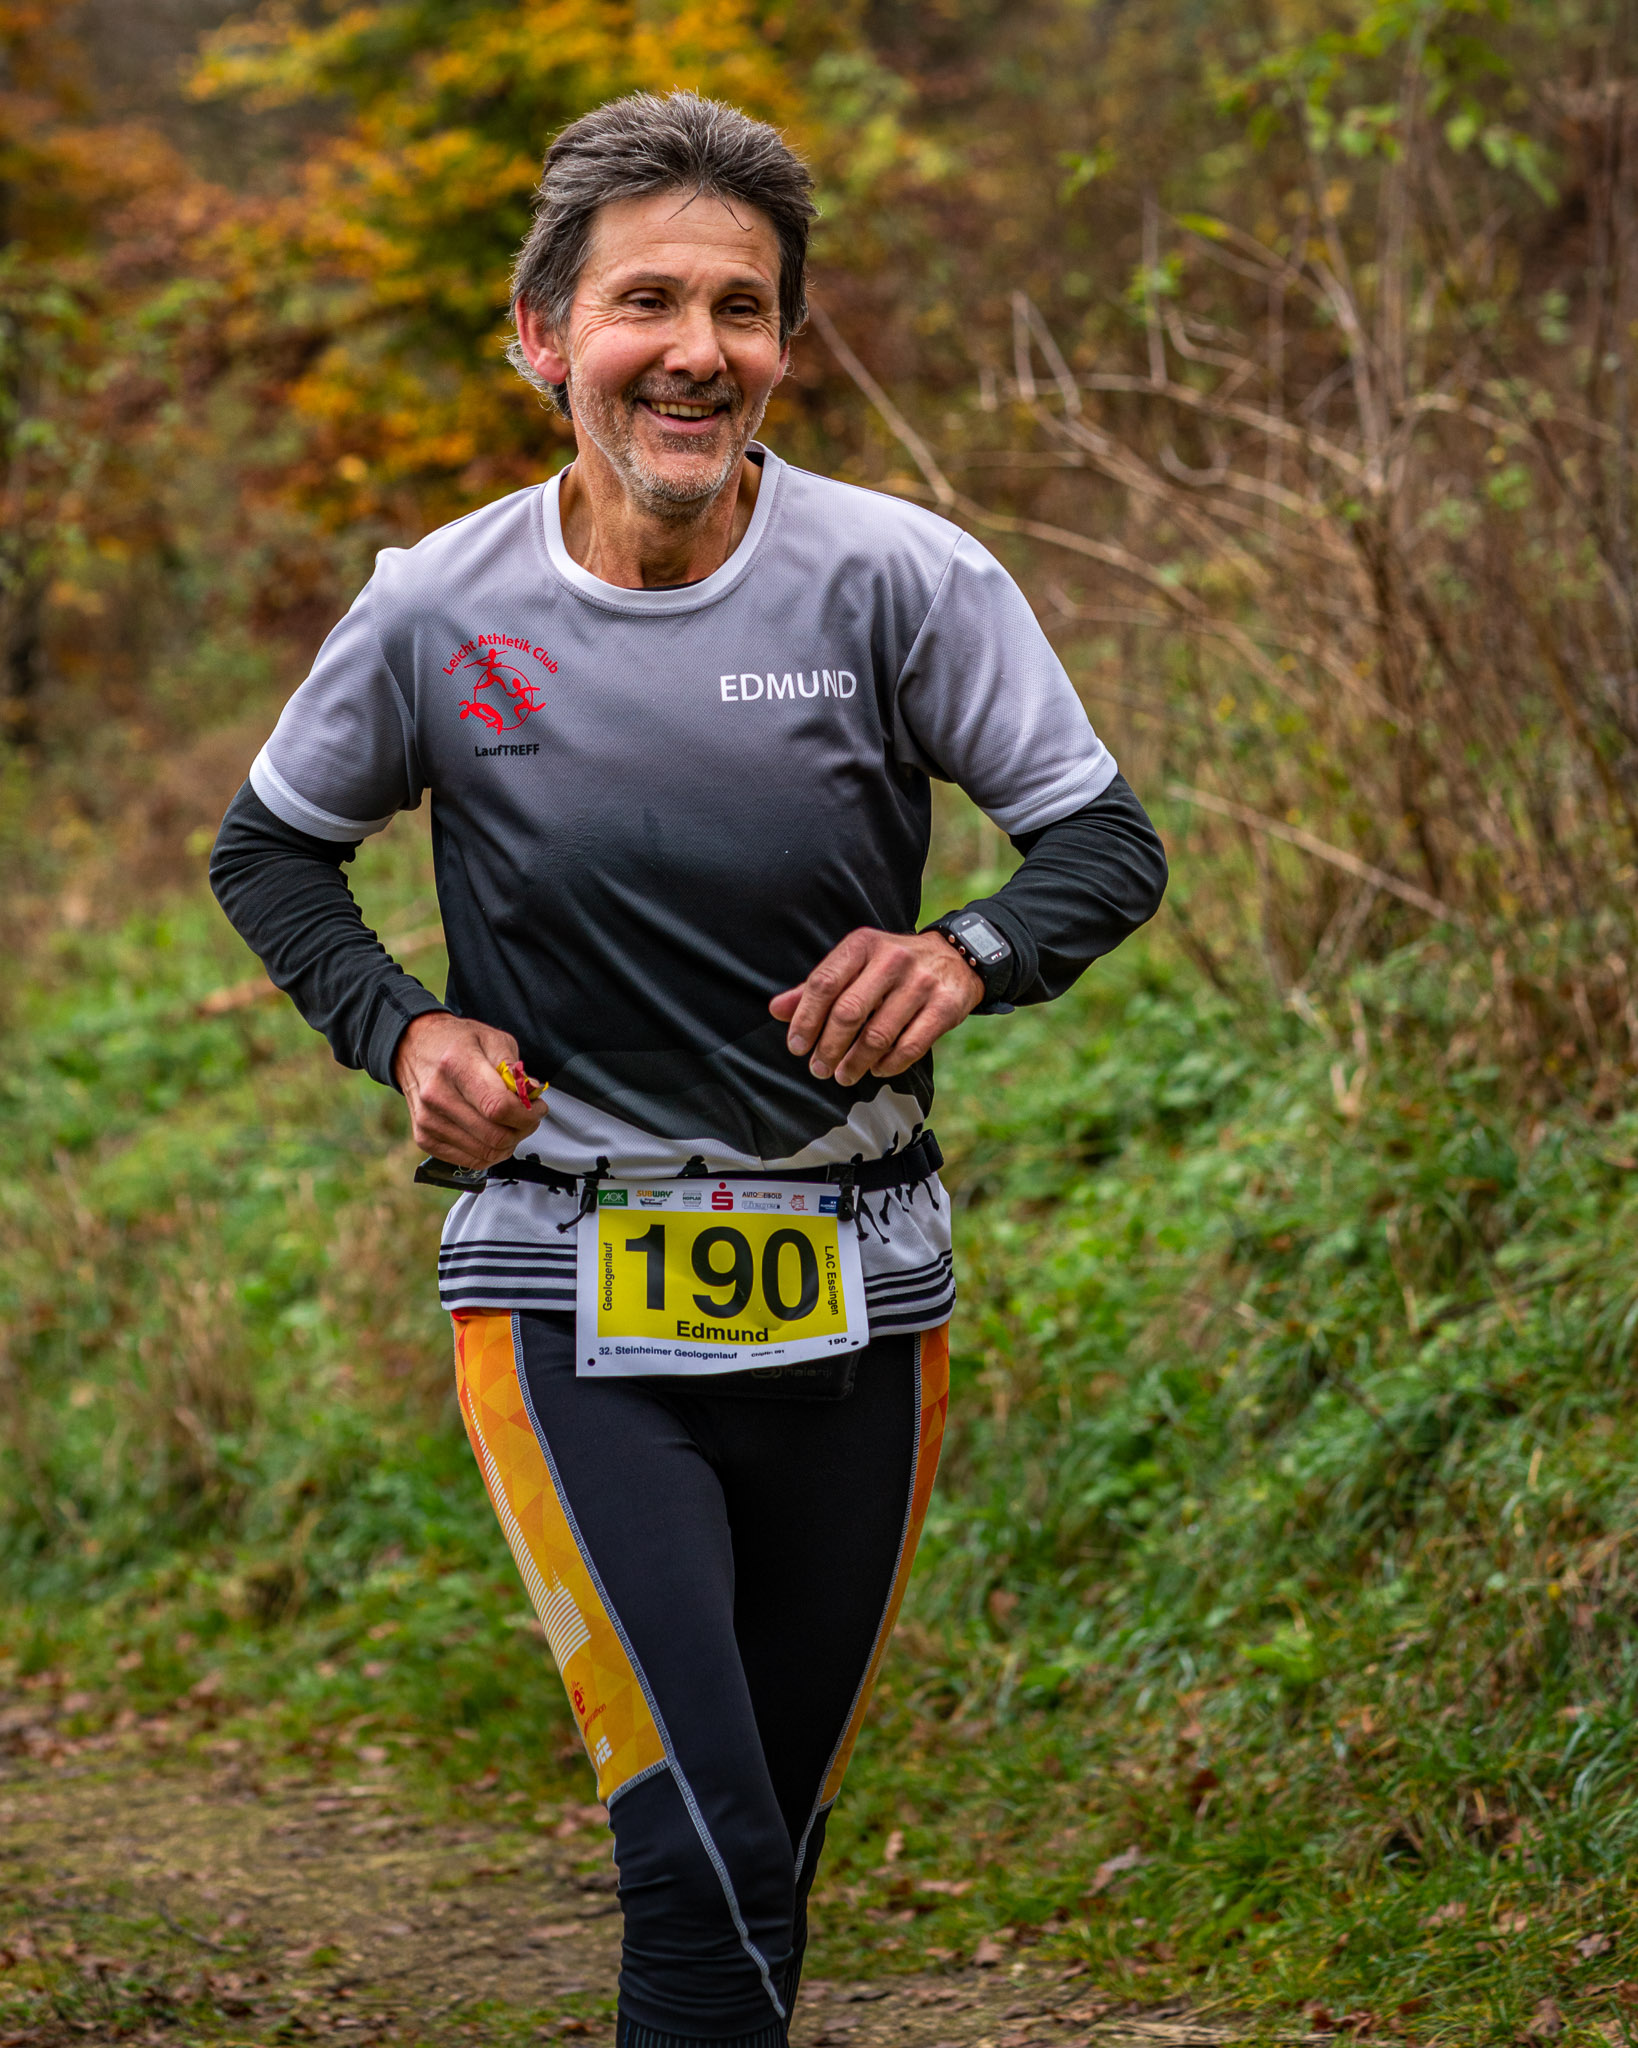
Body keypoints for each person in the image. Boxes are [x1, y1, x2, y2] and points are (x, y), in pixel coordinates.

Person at [211, 90, 1166, 2048]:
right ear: (541, 334)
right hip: (563, 1276)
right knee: (693, 1852)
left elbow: (1100, 844)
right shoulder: (439, 604)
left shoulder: (900, 578)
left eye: (743, 308)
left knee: (765, 1845)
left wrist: (961, 953)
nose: (698, 350)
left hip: (861, 1279)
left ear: (785, 347)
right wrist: (404, 1026)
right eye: (647, 300)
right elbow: (270, 852)